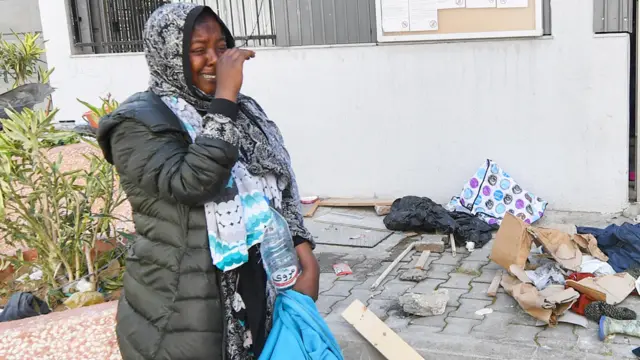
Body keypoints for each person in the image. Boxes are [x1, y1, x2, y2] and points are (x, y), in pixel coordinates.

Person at [97, 3, 319, 359]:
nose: (216, 60)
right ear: (167, 54)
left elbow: (279, 184)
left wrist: (302, 251)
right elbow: (193, 184)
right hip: (185, 311)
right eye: (198, 51)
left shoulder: (244, 111)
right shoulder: (137, 124)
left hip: (259, 290)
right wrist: (225, 100)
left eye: (221, 47)